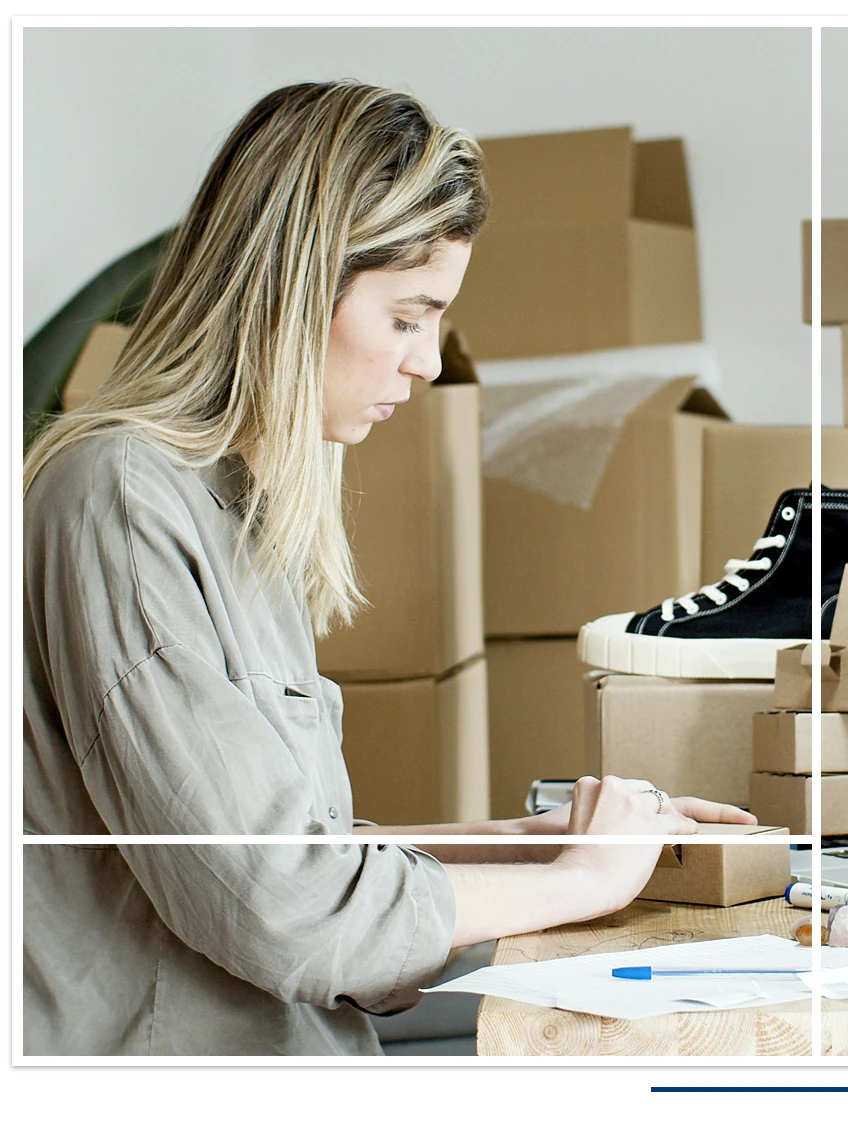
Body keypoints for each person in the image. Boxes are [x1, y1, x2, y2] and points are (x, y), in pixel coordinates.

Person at [22, 81, 755, 1055]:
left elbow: (287, 844)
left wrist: (528, 842)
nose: (424, 362)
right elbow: (280, 905)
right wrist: (583, 881)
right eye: (407, 316)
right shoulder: (119, 499)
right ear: (293, 285)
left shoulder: (241, 506)